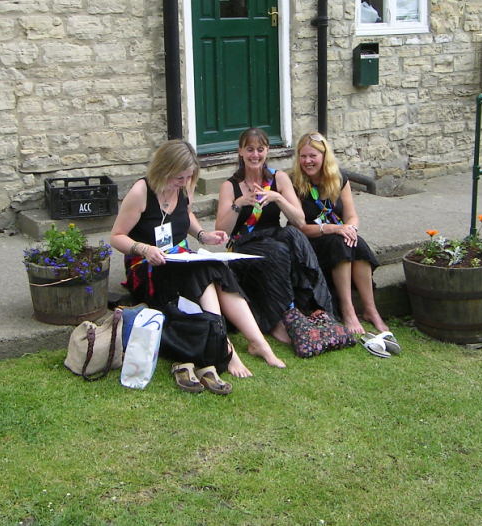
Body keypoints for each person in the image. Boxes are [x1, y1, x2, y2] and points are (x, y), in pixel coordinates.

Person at [110, 139, 285, 377]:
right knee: (202, 271)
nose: (183, 183)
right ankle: (226, 348)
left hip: (178, 258)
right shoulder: (141, 192)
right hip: (147, 265)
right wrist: (144, 249)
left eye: (187, 177)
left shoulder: (185, 185)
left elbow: (186, 214)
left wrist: (204, 235)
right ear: (164, 170)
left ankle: (257, 343)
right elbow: (117, 236)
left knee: (215, 267)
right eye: (178, 178)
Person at [215, 128, 333, 343]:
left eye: (260, 149)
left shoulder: (279, 178)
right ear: (240, 151)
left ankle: (318, 307)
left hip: (273, 235)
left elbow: (299, 220)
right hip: (244, 244)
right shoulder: (229, 186)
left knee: (295, 236)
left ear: (267, 151)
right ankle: (278, 321)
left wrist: (277, 197)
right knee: (278, 250)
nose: (255, 155)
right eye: (250, 149)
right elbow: (223, 231)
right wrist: (238, 204)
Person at [292, 131, 396, 342]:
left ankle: (370, 309)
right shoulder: (295, 183)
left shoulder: (339, 179)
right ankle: (348, 310)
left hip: (337, 234)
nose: (307, 161)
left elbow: (351, 215)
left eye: (313, 156)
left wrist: (350, 229)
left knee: (356, 244)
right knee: (341, 243)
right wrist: (334, 229)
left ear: (324, 156)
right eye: (303, 156)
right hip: (311, 240)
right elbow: (300, 227)